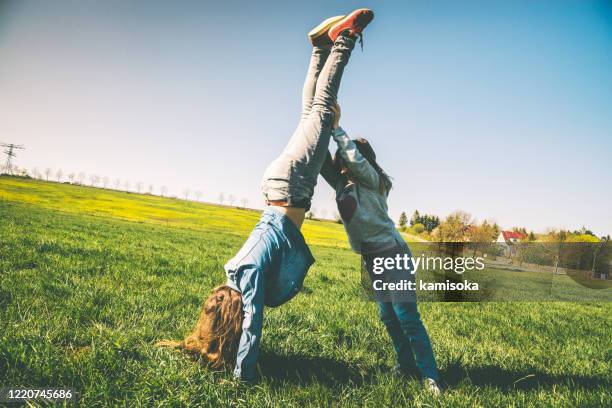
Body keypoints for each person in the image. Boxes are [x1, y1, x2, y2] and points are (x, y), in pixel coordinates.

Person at [158, 9, 375, 382]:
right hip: (280, 183)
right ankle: (320, 47)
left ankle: (345, 38)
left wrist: (246, 374)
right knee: (311, 114)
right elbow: (248, 315)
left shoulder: (249, 279)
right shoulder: (232, 274)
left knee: (323, 111)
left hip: (291, 186)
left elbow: (253, 321)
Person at [320, 106, 442, 394]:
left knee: (406, 315)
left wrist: (338, 129)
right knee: (388, 316)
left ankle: (430, 375)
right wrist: (321, 125)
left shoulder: (373, 181)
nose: (344, 160)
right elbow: (321, 161)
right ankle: (405, 365)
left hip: (393, 253)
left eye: (348, 155)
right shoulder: (341, 182)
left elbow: (357, 161)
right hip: (372, 259)